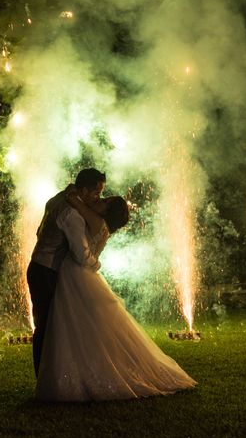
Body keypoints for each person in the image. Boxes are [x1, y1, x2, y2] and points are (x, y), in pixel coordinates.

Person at [36, 192, 197, 402]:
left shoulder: (96, 220)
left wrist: (73, 196)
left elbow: (77, 206)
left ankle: (77, 375)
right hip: (77, 276)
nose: (98, 200)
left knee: (73, 324)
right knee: (82, 326)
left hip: (76, 275)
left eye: (104, 201)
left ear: (108, 211)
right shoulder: (103, 226)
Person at [27, 168, 106, 377]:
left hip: (37, 267)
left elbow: (39, 231)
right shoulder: (72, 215)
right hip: (47, 271)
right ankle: (47, 377)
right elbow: (81, 254)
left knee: (44, 326)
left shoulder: (56, 199)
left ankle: (47, 376)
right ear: (83, 190)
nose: (98, 198)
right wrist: (96, 265)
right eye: (96, 193)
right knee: (47, 327)